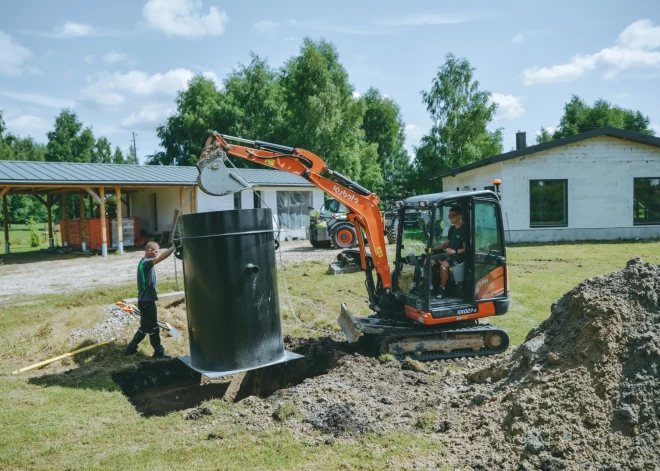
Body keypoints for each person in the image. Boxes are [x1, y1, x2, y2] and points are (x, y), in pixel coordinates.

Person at [124, 241, 175, 358]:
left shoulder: (143, 263)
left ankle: (130, 349)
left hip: (144, 301)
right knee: (154, 328)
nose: (157, 254)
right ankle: (159, 352)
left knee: (144, 328)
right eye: (156, 252)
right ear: (149, 251)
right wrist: (173, 248)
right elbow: (161, 258)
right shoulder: (146, 263)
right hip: (147, 302)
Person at [430, 206, 468, 299]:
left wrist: (455, 251)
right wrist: (433, 248)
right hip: (448, 253)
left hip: (459, 256)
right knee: (428, 260)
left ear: (459, 216)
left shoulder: (465, 229)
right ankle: (429, 287)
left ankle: (442, 289)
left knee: (443, 265)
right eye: (449, 216)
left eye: (452, 216)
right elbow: (446, 244)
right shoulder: (452, 229)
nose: (450, 218)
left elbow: (466, 249)